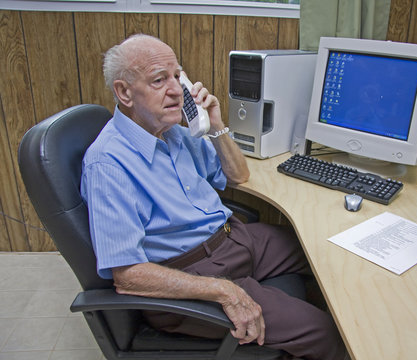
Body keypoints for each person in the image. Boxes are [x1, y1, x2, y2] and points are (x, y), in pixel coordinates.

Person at [81, 34, 347, 360]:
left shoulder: (176, 133)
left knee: (323, 252)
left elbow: (237, 176)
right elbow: (127, 276)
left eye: (177, 76)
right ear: (124, 92)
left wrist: (215, 122)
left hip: (232, 238)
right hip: (193, 273)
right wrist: (224, 290)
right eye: (159, 80)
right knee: (324, 334)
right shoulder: (108, 165)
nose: (177, 90)